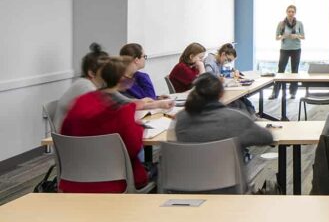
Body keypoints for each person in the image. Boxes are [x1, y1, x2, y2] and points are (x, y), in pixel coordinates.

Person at [59, 56, 150, 193]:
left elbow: (65, 133)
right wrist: (139, 129)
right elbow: (134, 148)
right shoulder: (122, 111)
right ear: (122, 80)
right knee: (158, 169)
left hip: (75, 180)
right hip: (117, 181)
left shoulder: (80, 102)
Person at [171, 73, 273, 149]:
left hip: (186, 176)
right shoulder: (236, 118)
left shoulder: (180, 118)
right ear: (221, 94)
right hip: (227, 176)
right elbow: (266, 138)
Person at [55, 43, 108, 130]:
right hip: (69, 139)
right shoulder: (86, 86)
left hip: (75, 135)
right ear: (91, 73)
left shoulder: (88, 84)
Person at [270, 5, 305, 100]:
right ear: (286, 12)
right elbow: (277, 37)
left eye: (292, 11)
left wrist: (296, 36)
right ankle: (275, 93)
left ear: (295, 13)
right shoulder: (281, 24)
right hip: (284, 49)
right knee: (280, 70)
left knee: (295, 71)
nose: (291, 13)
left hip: (296, 49)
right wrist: (283, 36)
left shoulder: (299, 23)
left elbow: (303, 37)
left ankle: (293, 93)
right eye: (289, 11)